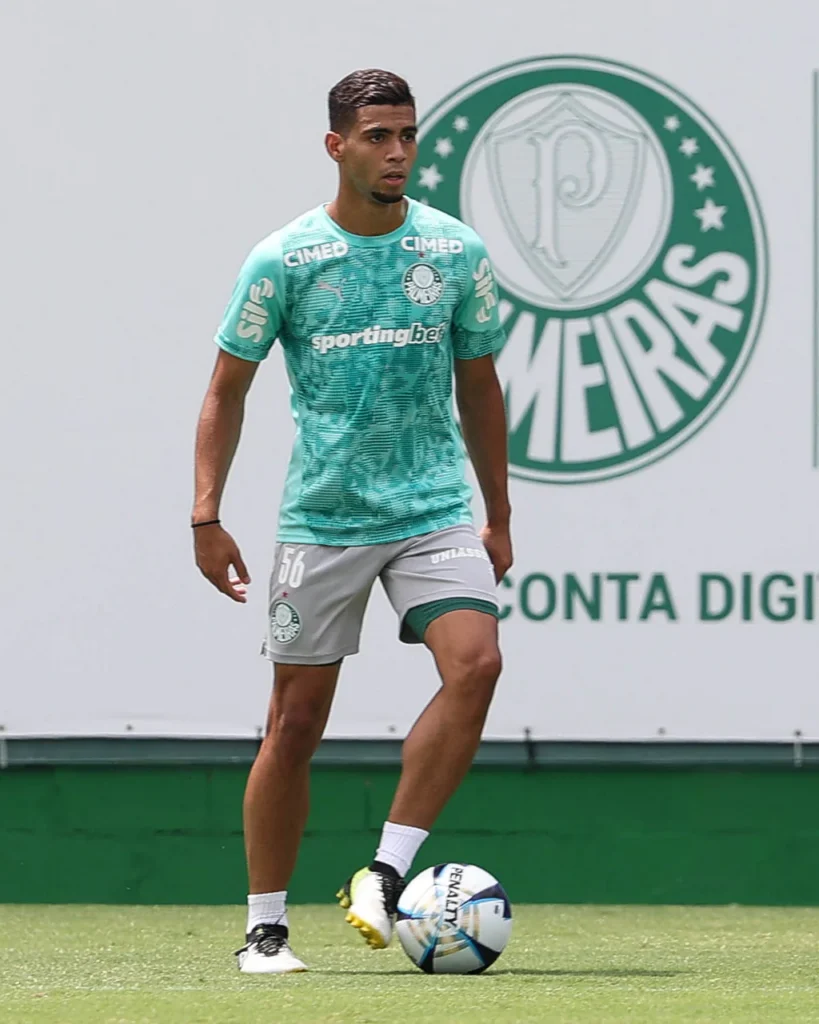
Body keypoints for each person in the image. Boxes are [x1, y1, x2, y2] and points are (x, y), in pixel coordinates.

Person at [192, 68, 512, 974]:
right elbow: (225, 390)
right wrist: (206, 514)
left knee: (478, 664)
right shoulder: (284, 260)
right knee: (294, 725)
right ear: (336, 146)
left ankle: (384, 870)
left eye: (407, 134)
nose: (397, 152)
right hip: (324, 519)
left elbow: (480, 386)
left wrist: (497, 513)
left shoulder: (454, 253)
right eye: (377, 137)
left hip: (434, 509)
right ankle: (265, 930)